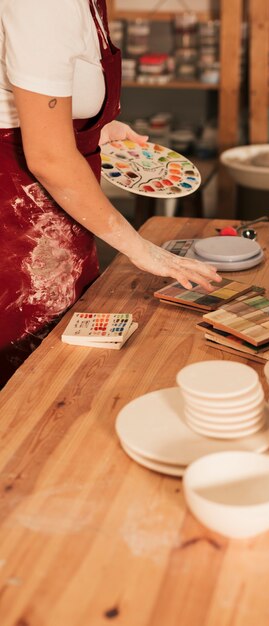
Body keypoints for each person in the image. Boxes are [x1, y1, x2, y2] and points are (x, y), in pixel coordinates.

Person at [0, 0, 220, 388]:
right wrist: (139, 248)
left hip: (55, 206)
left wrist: (93, 129)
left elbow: (38, 103)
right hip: (16, 218)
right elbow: (49, 157)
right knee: (29, 375)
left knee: (61, 353)